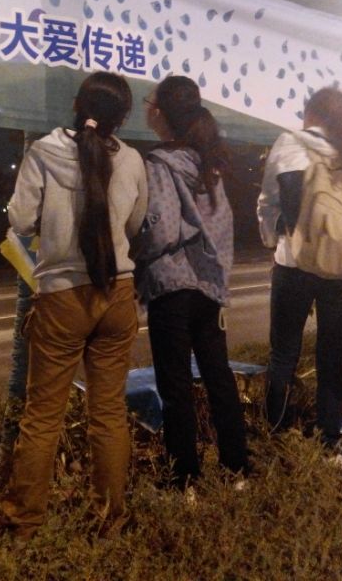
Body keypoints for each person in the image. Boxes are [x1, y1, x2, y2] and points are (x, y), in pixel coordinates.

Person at [2, 72, 148, 539]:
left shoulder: (44, 152)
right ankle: (110, 519)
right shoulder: (132, 159)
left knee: (43, 416)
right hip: (117, 292)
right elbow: (136, 224)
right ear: (123, 117)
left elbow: (20, 219)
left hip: (62, 296)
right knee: (108, 413)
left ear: (76, 104)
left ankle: (25, 524)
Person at [133, 76, 249, 489]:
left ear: (160, 113)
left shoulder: (161, 164)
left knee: (175, 383)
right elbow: (223, 225)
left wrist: (138, 253)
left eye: (149, 102)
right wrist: (218, 273)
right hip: (208, 285)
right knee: (218, 376)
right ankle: (238, 469)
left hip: (172, 284)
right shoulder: (209, 162)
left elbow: (161, 229)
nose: (146, 108)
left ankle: (184, 479)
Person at [257, 87, 342, 450]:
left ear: (310, 112)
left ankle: (277, 432)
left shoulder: (291, 143)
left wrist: (273, 239)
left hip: (296, 263)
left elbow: (270, 202)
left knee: (283, 353)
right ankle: (329, 437)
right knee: (333, 354)